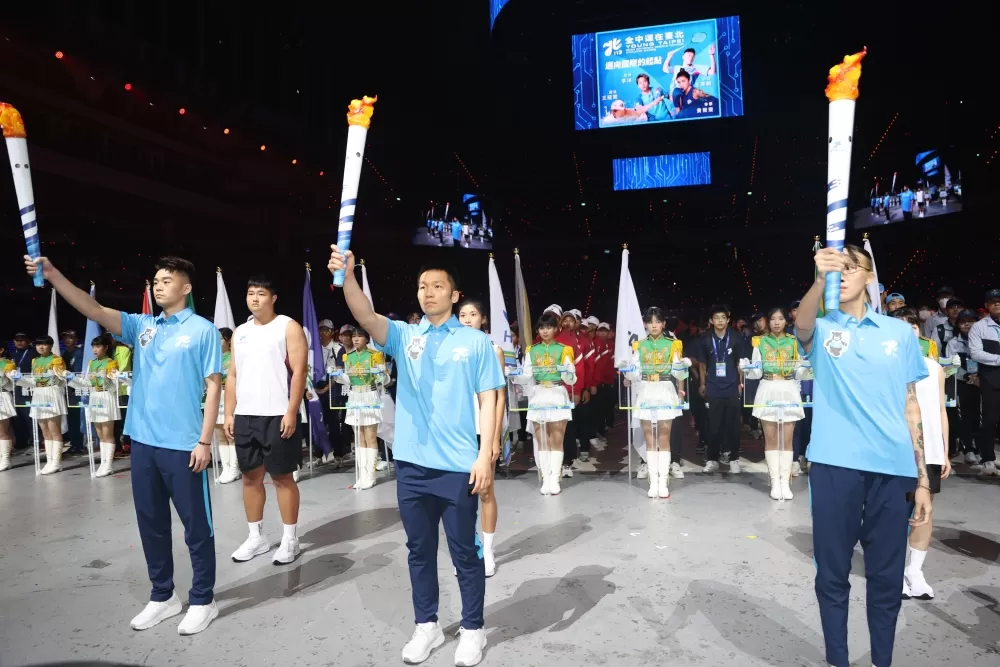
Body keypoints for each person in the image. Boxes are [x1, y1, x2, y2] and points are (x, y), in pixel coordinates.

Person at [26, 253, 222, 635]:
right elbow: (94, 308)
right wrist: (53, 275)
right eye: (156, 280)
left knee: (196, 527)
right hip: (144, 442)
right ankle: (163, 596)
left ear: (186, 287)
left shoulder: (202, 330)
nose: (159, 284)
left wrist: (204, 440)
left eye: (167, 279)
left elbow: (214, 386)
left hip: (184, 444)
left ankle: (203, 598)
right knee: (151, 524)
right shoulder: (141, 326)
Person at [328, 245, 502, 667]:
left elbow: (489, 397)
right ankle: (426, 625)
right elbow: (366, 316)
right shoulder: (407, 337)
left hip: (459, 465)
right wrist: (348, 275)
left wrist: (485, 457)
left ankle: (473, 629)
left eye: (438, 286)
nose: (428, 293)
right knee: (419, 549)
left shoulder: (475, 342)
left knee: (465, 551)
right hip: (411, 465)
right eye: (423, 286)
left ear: (454, 295)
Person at [795, 245, 931, 667]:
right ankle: (838, 659)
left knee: (886, 578)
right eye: (841, 268)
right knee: (832, 576)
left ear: (870, 276)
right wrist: (820, 279)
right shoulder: (823, 328)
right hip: (835, 466)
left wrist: (923, 478)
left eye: (853, 267)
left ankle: (882, 661)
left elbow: (912, 406)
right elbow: (801, 323)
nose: (846, 273)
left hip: (893, 470)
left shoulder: (900, 334)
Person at [225, 276, 308, 566]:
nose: (255, 298)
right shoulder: (240, 332)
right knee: (250, 477)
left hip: (277, 415)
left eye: (261, 293)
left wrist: (291, 411)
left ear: (273, 297)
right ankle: (256, 537)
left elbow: (299, 372)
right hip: (246, 415)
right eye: (250, 293)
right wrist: (228, 412)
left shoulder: (288, 326)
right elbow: (232, 375)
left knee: (282, 478)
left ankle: (290, 539)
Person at [894, 308, 950, 600]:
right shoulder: (887, 367)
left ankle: (915, 572)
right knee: (896, 512)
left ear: (918, 331)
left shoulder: (933, 367)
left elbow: (941, 410)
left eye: (912, 326)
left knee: (924, 511)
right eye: (900, 326)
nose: (908, 331)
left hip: (930, 451)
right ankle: (893, 571)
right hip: (898, 450)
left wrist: (944, 450)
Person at [457, 299, 506, 577]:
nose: (467, 319)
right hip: (456, 432)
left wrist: (495, 438)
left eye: (473, 314)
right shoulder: (451, 350)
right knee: (459, 494)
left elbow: (499, 399)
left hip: (482, 431)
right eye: (462, 315)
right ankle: (469, 549)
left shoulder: (493, 350)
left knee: (485, 490)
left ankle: (487, 550)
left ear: (483, 319)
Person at [624, 307, 688, 499]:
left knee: (664, 438)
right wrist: (627, 370)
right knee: (649, 438)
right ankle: (654, 482)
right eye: (650, 322)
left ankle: (663, 481)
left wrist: (682, 367)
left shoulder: (672, 344)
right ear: (645, 324)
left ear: (663, 324)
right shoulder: (639, 345)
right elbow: (634, 373)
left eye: (657, 321)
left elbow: (679, 373)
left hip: (665, 391)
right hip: (645, 391)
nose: (654, 325)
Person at [742, 308, 805, 500]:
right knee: (770, 438)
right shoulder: (760, 342)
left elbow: (798, 370)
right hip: (767, 387)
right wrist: (746, 368)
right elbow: (757, 372)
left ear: (786, 321)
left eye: (780, 319)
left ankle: (785, 483)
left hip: (788, 389)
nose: (776, 322)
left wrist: (807, 369)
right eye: (773, 319)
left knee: (787, 438)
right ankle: (774, 481)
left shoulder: (794, 341)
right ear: (767, 322)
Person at [512, 310, 576, 496]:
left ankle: (554, 478)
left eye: (548, 327)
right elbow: (526, 376)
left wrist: (568, 371)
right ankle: (545, 478)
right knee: (541, 440)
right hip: (538, 395)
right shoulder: (532, 350)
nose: (545, 331)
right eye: (542, 327)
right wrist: (513, 374)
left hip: (557, 393)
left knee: (556, 438)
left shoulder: (564, 349)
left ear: (556, 329)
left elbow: (571, 380)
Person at [694, 305, 747, 474]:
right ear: (711, 320)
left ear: (728, 319)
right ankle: (712, 459)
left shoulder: (736, 338)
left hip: (732, 387)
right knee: (713, 426)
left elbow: (740, 364)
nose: (720, 321)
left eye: (723, 317)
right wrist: (702, 384)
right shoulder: (705, 339)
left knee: (733, 426)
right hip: (713, 387)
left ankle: (734, 460)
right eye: (716, 317)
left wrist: (740, 384)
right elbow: (702, 364)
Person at [336, 327, 385, 490]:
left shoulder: (374, 355)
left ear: (366, 338)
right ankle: (362, 475)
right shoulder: (348, 356)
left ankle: (371, 475)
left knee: (370, 435)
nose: (356, 340)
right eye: (354, 337)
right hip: (355, 396)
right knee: (358, 436)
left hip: (369, 395)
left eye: (359, 337)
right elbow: (347, 379)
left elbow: (385, 378)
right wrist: (337, 376)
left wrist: (379, 373)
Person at [969, 288, 1000, 476]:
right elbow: (975, 353)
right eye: (993, 301)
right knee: (989, 419)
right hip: (991, 378)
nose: (997, 303)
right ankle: (987, 458)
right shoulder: (979, 327)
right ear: (987, 305)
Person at [29, 335, 68, 474]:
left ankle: (57, 462)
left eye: (44, 344)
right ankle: (50, 460)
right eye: (38, 344)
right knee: (45, 431)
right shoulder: (35, 360)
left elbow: (61, 379)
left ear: (51, 346)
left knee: (54, 430)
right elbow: (34, 379)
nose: (41, 347)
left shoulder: (56, 359)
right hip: (38, 394)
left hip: (52, 393)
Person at [84, 333, 121, 477]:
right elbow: (88, 381)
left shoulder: (110, 363)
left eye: (98, 346)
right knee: (99, 433)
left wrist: (112, 377)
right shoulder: (91, 363)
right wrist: (75, 380)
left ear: (105, 347)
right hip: (94, 396)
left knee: (107, 432)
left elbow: (114, 384)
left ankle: (109, 464)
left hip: (106, 396)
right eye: (93, 347)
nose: (95, 349)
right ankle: (103, 463)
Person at [215, 328, 240, 484]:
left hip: (230, 396)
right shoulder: (214, 357)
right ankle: (226, 467)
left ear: (228, 340)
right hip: (217, 397)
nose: (218, 342)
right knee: (220, 435)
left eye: (220, 339)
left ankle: (235, 469)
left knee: (231, 434)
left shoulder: (234, 357)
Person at [0, 351, 15, 470]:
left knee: (2, 430)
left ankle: (5, 459)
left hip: (2, 396)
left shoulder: (7, 364)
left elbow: (12, 383)